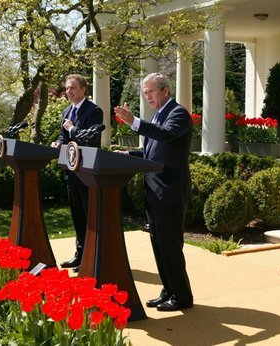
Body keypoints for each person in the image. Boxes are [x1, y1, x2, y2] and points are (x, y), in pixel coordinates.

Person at [114, 72, 193, 312]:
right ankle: (168, 290)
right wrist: (129, 155)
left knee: (170, 247)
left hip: (170, 192)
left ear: (165, 91)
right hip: (154, 192)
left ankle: (182, 296)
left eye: (151, 92)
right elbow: (153, 154)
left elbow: (167, 136)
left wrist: (134, 122)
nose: (147, 96)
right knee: (159, 246)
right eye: (145, 93)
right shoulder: (158, 116)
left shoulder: (178, 113)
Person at [51, 74, 103, 272]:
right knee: (77, 216)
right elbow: (64, 136)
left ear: (83, 89)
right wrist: (59, 142)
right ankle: (79, 255)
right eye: (66, 88)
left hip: (88, 171)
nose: (68, 92)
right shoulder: (67, 110)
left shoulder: (94, 111)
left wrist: (72, 129)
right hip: (71, 170)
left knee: (89, 215)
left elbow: (89, 138)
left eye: (72, 88)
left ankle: (92, 256)